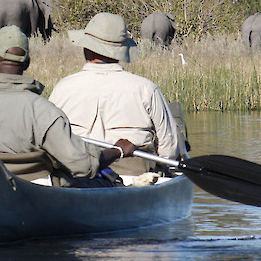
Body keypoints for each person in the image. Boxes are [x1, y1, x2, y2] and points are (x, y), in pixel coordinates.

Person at [0, 26, 137, 187]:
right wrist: (117, 151)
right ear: (27, 64)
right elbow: (83, 166)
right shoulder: (44, 111)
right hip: (32, 195)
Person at [49, 13, 186, 176]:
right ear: (121, 51)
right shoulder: (146, 89)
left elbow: (50, 139)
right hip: (135, 173)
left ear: (87, 48)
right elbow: (168, 149)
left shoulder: (62, 88)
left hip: (78, 173)